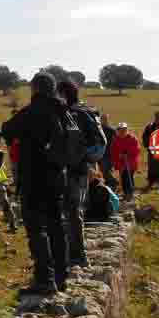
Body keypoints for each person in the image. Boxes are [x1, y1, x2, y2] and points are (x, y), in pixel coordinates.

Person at [2, 72, 71, 294]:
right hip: (58, 177)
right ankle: (62, 275)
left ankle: (44, 279)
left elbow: (7, 129)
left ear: (35, 89)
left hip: (33, 178)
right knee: (57, 225)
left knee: (36, 228)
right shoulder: (63, 111)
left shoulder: (31, 112)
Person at [57, 80, 106, 269]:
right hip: (78, 169)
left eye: (57, 93)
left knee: (71, 211)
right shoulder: (83, 113)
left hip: (72, 170)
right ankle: (73, 254)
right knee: (73, 211)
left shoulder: (73, 114)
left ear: (63, 94)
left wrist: (76, 158)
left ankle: (77, 255)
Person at [110, 123, 140, 202]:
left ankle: (129, 194)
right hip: (121, 164)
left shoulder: (132, 139)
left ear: (126, 130)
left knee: (128, 178)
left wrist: (128, 154)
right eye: (120, 130)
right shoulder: (116, 140)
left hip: (130, 164)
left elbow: (136, 150)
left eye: (124, 130)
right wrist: (119, 156)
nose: (122, 132)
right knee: (123, 179)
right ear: (118, 131)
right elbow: (113, 152)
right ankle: (126, 193)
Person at [141, 112, 159, 192]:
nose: (157, 118)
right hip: (152, 150)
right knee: (151, 167)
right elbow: (144, 137)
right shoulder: (150, 126)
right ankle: (151, 182)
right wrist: (148, 145)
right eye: (156, 117)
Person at [99, 114, 118, 189]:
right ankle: (109, 184)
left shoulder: (111, 130)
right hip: (101, 153)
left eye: (105, 119)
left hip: (109, 154)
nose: (104, 121)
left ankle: (113, 183)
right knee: (103, 170)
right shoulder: (99, 129)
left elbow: (116, 141)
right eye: (103, 119)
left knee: (107, 170)